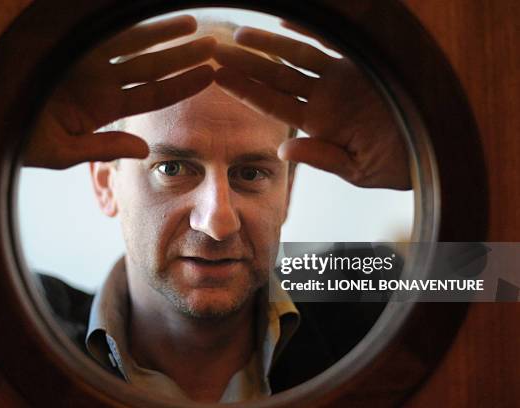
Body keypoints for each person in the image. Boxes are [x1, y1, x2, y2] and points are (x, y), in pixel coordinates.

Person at [28, 15, 409, 403]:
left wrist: (432, 156)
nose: (217, 222)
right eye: (172, 169)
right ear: (106, 184)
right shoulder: (25, 321)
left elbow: (472, 276)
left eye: (251, 173)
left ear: (288, 191)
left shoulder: (366, 287)